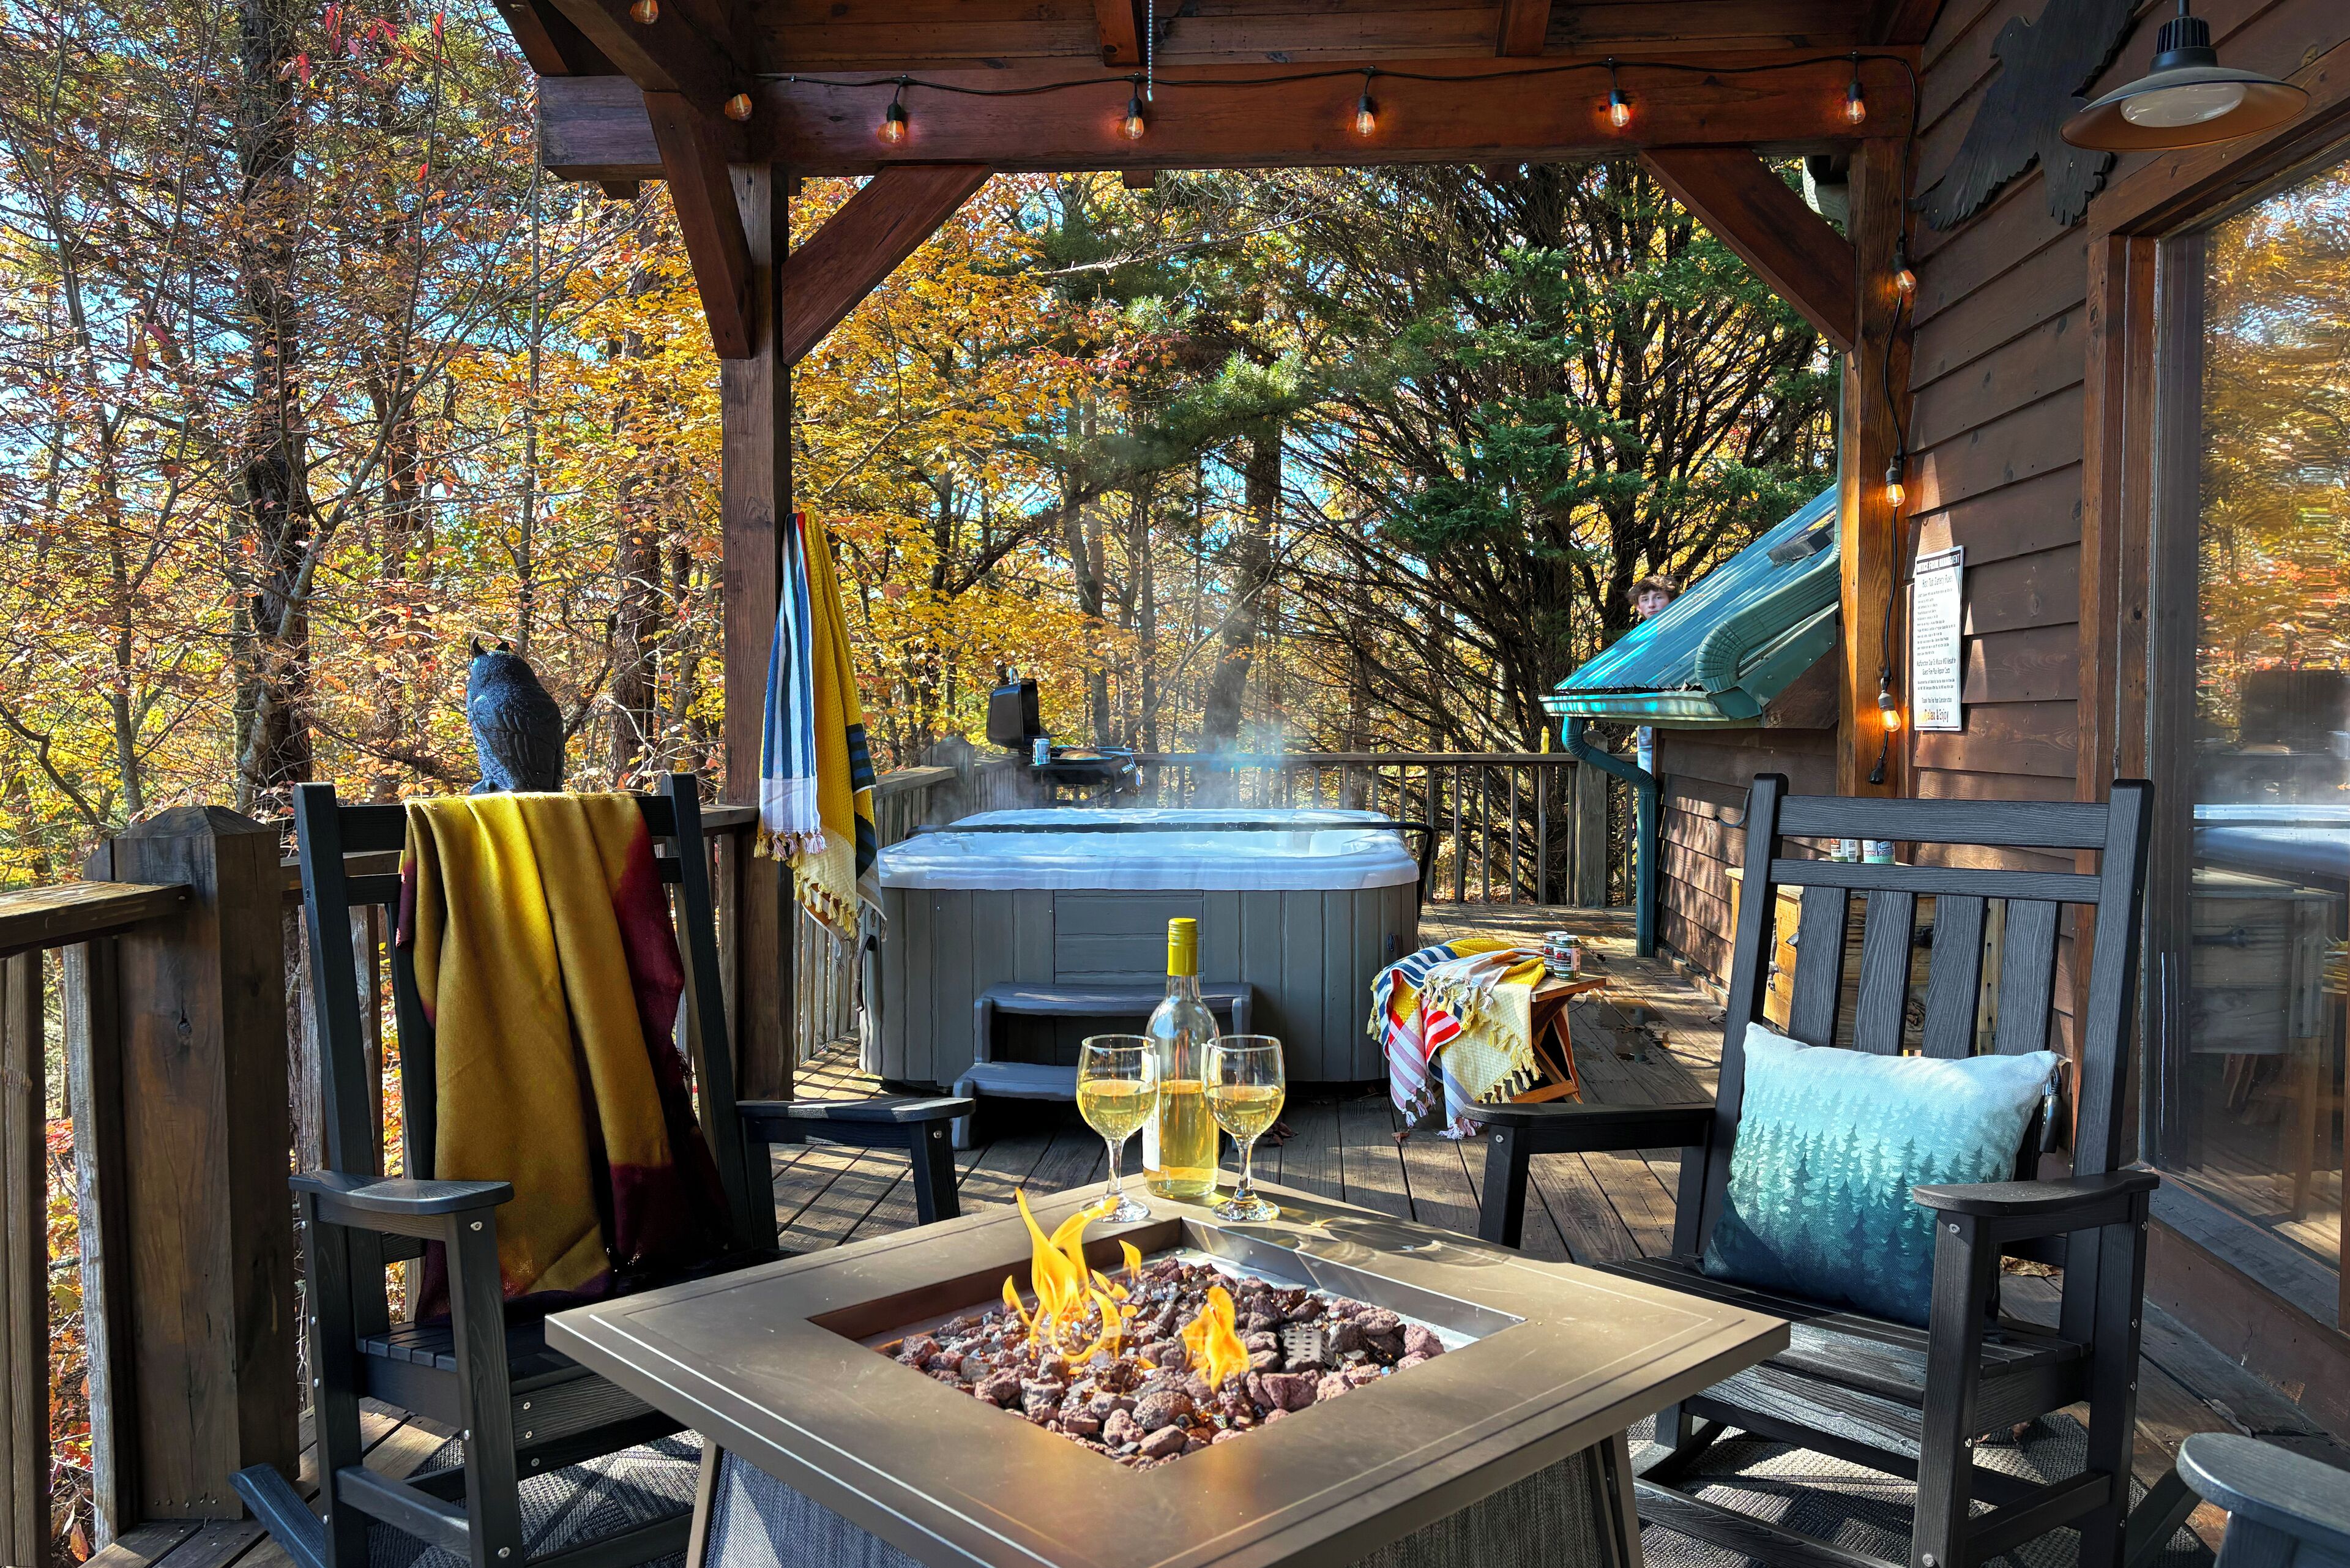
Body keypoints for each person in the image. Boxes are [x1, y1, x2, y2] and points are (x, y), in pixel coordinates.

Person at [1630, 574, 1678, 775]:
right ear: (1638, 608)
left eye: (1658, 597)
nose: (1652, 604)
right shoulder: (1637, 639)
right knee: (1648, 769)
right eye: (1645, 599)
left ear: (1671, 600)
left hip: (1675, 710)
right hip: (1647, 712)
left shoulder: (1682, 631)